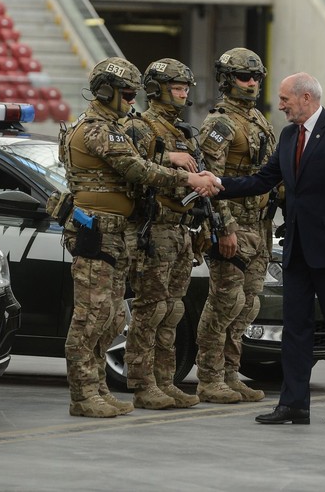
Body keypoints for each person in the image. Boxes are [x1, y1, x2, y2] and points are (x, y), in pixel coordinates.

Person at [60, 57, 222, 418]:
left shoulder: (112, 127)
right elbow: (135, 167)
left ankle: (98, 388)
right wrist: (188, 179)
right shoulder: (97, 129)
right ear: (105, 91)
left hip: (114, 234)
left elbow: (140, 154)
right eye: (127, 93)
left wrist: (169, 155)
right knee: (91, 318)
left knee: (112, 316)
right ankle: (83, 394)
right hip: (97, 232)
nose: (133, 100)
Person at [209, 72, 325, 425]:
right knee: (295, 328)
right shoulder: (286, 136)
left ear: (306, 98)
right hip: (296, 247)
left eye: (285, 99)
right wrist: (218, 184)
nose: (280, 105)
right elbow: (263, 180)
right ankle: (294, 403)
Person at [195, 48, 277, 403]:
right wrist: (223, 227)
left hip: (259, 225)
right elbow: (207, 181)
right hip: (233, 225)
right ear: (228, 80)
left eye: (257, 77)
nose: (253, 83)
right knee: (224, 302)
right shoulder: (220, 123)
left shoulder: (257, 119)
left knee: (248, 305)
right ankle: (209, 377)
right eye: (245, 77)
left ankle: (230, 373)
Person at [120, 59, 202, 410]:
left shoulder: (180, 129)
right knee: (150, 309)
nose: (182, 93)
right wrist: (171, 156)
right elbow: (133, 164)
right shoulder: (139, 126)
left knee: (172, 310)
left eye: (185, 87)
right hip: (153, 229)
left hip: (180, 228)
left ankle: (165, 381)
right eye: (176, 86)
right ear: (156, 88)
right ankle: (141, 383)